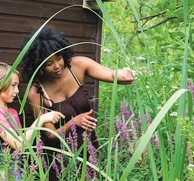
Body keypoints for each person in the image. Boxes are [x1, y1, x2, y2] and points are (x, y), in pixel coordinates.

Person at [20, 27, 134, 180]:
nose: (57, 66)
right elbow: (49, 135)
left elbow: (112, 74)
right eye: (49, 63)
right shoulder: (36, 92)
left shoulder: (78, 66)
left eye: (59, 58)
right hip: (59, 161)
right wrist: (74, 122)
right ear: (38, 65)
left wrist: (123, 74)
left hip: (89, 152)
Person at [0, 62, 65, 180]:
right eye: (13, 85)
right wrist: (41, 119)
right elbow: (18, 144)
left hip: (15, 171)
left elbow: (24, 142)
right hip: (1, 175)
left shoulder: (11, 112)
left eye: (18, 86)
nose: (17, 91)